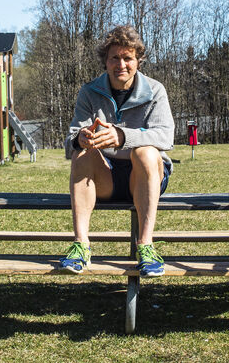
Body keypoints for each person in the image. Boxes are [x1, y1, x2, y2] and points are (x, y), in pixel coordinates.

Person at [60, 25, 174, 277]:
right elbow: (69, 143)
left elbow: (166, 137)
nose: (121, 64)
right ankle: (81, 245)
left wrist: (123, 136)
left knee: (146, 152)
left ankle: (146, 246)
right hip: (105, 177)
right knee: (81, 152)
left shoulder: (155, 91)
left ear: (138, 61)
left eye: (127, 58)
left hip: (146, 176)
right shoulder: (89, 92)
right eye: (115, 58)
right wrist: (81, 138)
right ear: (105, 61)